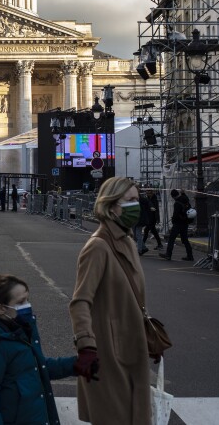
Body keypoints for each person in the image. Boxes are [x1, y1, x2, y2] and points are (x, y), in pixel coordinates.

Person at [69, 177, 154, 424]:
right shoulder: (98, 247)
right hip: (108, 355)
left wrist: (148, 336)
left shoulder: (127, 242)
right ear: (111, 205)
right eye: (130, 201)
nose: (136, 206)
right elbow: (80, 301)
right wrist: (86, 346)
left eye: (137, 200)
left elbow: (134, 300)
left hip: (131, 348)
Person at [0, 274, 77, 425]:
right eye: (21, 302)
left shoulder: (20, 330)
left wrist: (76, 364)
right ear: (0, 308)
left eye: (27, 299)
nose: (27, 305)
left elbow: (37, 367)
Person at [159, 189, 194, 261]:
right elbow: (185, 197)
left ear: (173, 196)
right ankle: (190, 256)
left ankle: (168, 255)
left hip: (178, 223)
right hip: (185, 223)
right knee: (185, 240)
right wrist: (183, 193)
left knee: (171, 239)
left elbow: (176, 215)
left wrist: (173, 220)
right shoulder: (185, 199)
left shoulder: (177, 203)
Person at [138, 189, 162, 254]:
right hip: (149, 217)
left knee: (146, 231)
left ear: (152, 193)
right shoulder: (147, 199)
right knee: (153, 231)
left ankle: (143, 246)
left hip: (152, 218)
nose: (148, 194)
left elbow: (156, 209)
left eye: (149, 193)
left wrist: (157, 218)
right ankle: (159, 244)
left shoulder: (154, 200)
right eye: (147, 193)